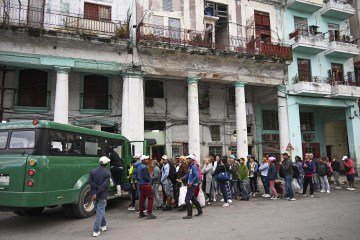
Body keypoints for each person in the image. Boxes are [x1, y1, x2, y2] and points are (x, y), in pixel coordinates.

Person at [89, 156, 111, 237]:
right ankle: (96, 230)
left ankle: (103, 225)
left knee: (99, 211)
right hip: (101, 195)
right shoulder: (108, 173)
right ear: (106, 163)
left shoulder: (93, 171)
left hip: (93, 194)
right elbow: (104, 186)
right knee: (100, 212)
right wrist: (97, 192)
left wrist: (95, 192)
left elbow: (90, 181)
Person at [178, 154, 203, 219]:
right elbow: (188, 175)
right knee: (193, 199)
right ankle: (200, 211)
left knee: (187, 199)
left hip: (192, 185)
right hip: (191, 184)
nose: (187, 160)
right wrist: (182, 178)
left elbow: (197, 176)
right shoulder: (190, 166)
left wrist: (191, 182)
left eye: (188, 159)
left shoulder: (194, 166)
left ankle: (189, 214)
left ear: (191, 160)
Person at [136, 155, 156, 219]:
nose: (147, 160)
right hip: (146, 184)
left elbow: (136, 175)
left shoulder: (138, 167)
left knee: (142, 199)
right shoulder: (144, 167)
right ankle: (149, 213)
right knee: (151, 198)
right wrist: (150, 180)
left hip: (140, 184)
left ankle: (141, 213)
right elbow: (146, 177)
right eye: (146, 159)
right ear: (143, 160)